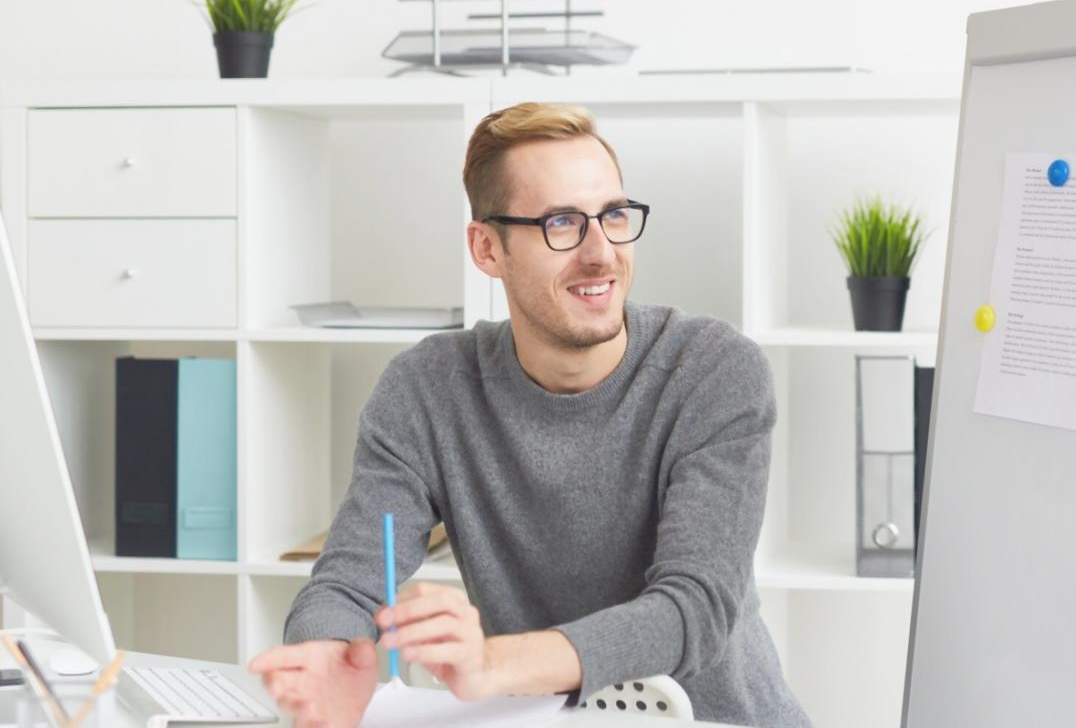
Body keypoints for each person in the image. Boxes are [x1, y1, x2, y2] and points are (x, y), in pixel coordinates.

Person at [247, 102, 810, 728]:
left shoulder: (711, 371)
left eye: (614, 216)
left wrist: (493, 663)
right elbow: (347, 582)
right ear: (487, 248)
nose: (601, 253)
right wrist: (327, 655)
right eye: (561, 223)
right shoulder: (427, 389)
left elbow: (693, 609)